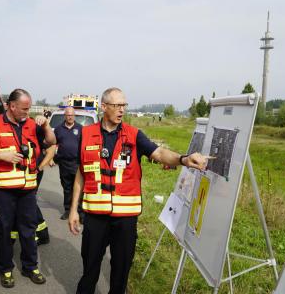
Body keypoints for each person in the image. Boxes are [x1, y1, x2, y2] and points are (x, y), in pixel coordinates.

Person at [68, 87, 209, 294]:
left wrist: (183, 159)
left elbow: (159, 153)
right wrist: (73, 210)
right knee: (89, 270)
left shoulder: (134, 136)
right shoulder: (86, 134)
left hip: (125, 220)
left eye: (124, 105)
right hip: (95, 218)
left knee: (120, 273)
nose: (122, 110)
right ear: (104, 107)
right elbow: (81, 174)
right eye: (117, 105)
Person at [0, 88, 56, 288]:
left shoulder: (31, 124)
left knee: (28, 230)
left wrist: (45, 125)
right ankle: (5, 268)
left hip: (28, 190)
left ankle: (30, 266)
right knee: (3, 230)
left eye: (29, 109)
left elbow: (52, 142)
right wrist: (1, 156)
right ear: (12, 106)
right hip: (4, 191)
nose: (27, 113)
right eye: (24, 109)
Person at [54, 107, 82, 220]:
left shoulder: (81, 129)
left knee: (79, 188)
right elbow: (53, 145)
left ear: (74, 116)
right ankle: (67, 210)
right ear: (64, 116)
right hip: (63, 163)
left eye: (72, 115)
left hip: (77, 164)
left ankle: (79, 211)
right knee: (67, 187)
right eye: (68, 115)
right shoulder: (58, 129)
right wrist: (51, 158)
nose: (70, 117)